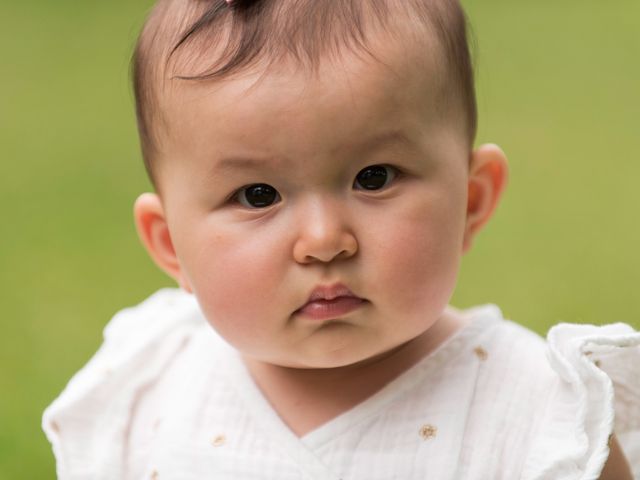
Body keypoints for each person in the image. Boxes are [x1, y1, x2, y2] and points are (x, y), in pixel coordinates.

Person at [43, 0, 639, 478]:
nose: (324, 241)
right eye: (258, 196)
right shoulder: (149, 389)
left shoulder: (532, 410)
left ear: (471, 200)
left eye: (373, 178)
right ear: (171, 245)